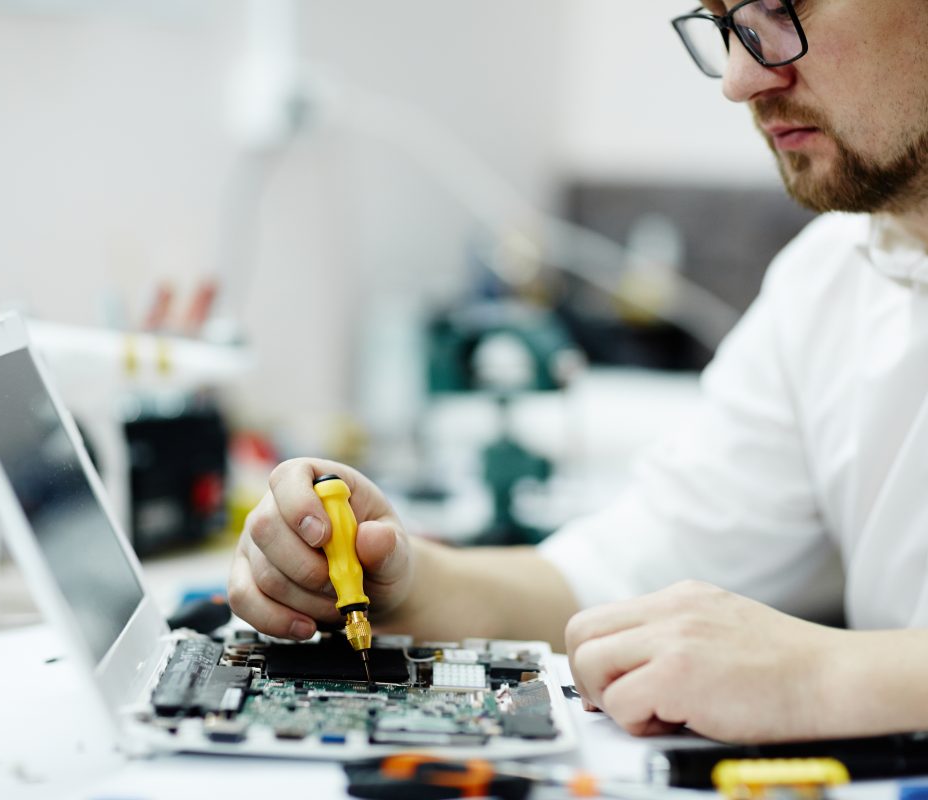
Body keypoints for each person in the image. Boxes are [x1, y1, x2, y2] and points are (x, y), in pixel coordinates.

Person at [228, 0, 928, 745]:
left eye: (776, 9)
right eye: (724, 25)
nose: (738, 77)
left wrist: (827, 677)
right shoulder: (836, 280)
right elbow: (615, 578)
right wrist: (395, 578)